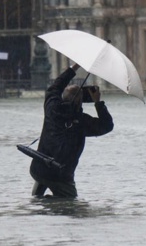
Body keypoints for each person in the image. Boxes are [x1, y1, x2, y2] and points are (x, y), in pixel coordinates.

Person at [29, 63, 114, 199]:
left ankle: (41, 203)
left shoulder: (52, 108)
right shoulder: (83, 122)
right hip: (61, 176)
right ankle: (49, 203)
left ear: (63, 96)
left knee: (39, 192)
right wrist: (98, 102)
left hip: (39, 168)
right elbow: (107, 125)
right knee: (70, 203)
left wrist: (74, 68)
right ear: (80, 102)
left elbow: (55, 86)